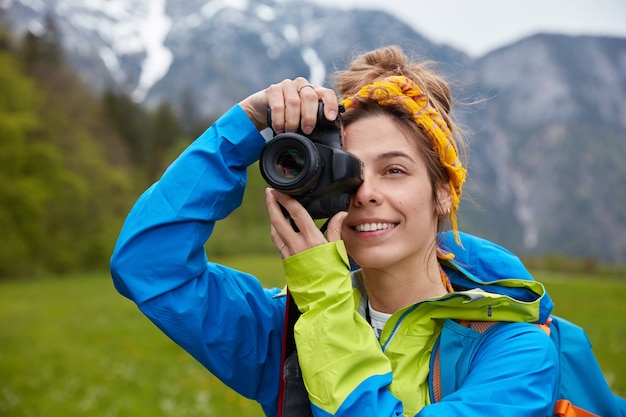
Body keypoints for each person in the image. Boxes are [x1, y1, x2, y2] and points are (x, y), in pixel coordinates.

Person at [110, 45, 558, 416]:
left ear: (443, 193)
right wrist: (245, 122)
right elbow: (148, 265)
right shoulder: (286, 327)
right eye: (351, 172)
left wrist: (325, 297)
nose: (366, 193)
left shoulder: (515, 350)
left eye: (395, 170)